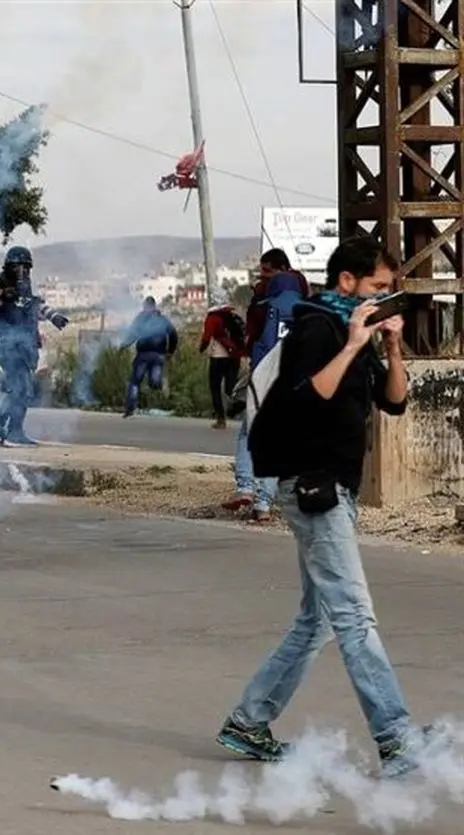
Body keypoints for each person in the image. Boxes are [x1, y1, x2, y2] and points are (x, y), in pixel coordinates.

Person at [216, 236, 439, 779]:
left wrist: (389, 347)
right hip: (312, 488)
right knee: (355, 618)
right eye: (378, 288)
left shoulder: (358, 334)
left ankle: (248, 721)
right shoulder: (319, 326)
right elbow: (309, 396)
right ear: (348, 282)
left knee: (317, 621)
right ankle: (395, 739)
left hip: (336, 487)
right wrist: (351, 343)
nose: (385, 299)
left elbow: (395, 401)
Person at [225, 269, 309, 523]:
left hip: (265, 381)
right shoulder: (309, 312)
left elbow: (254, 345)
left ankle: (245, 487)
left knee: (247, 433)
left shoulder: (265, 308)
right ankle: (263, 506)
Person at [0, 246, 44, 446]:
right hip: (5, 343)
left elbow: (28, 315)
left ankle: (15, 429)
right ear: (8, 267)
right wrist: (0, 299)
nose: (22, 272)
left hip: (23, 344)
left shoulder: (26, 287)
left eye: (26, 268)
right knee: (19, 388)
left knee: (25, 390)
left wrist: (35, 336)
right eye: (18, 267)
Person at [120, 296, 179, 418]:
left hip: (144, 354)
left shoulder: (141, 319)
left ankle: (130, 408)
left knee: (135, 381)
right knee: (153, 381)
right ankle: (158, 387)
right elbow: (173, 334)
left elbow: (132, 334)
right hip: (158, 355)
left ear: (146, 306)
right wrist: (170, 351)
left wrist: (124, 346)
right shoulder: (162, 319)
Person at [199, 290, 247, 429]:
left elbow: (207, 337)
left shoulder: (212, 318)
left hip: (218, 357)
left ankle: (221, 419)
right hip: (234, 357)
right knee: (231, 388)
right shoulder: (233, 316)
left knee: (215, 387)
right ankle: (242, 409)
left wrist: (201, 349)